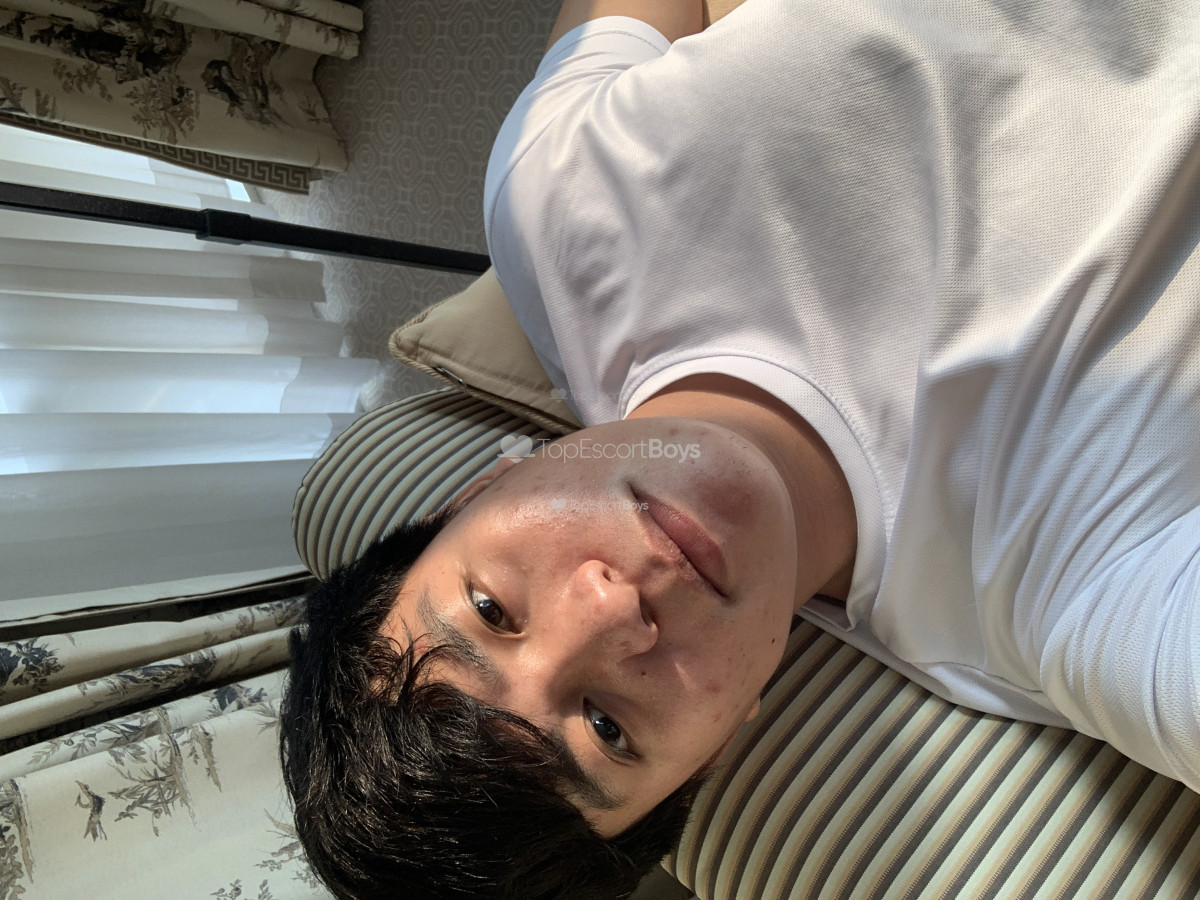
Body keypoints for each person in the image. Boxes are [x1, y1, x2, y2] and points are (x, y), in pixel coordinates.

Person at [279, 0, 1200, 897]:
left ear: (478, 491)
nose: (611, 608)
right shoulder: (1070, 605)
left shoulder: (548, 210)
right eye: (606, 727)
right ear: (716, 751)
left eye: (491, 608)